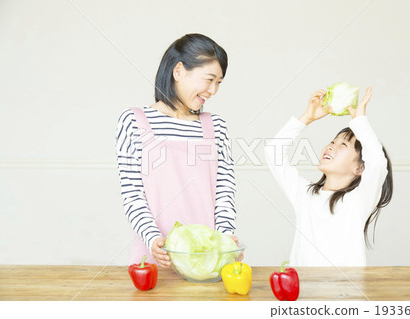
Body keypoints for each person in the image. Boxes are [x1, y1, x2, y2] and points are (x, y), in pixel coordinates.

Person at [116, 34, 238, 268]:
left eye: (219, 82)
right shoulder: (133, 121)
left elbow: (225, 191)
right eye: (209, 79)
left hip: (208, 259)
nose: (213, 90)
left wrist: (225, 239)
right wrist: (153, 239)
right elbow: (132, 194)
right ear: (179, 71)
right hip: (156, 257)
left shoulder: (216, 126)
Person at [265, 87, 393, 266]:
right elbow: (273, 153)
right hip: (305, 292)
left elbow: (378, 164)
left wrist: (359, 121)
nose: (331, 146)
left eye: (343, 145)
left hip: (345, 293)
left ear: (359, 168)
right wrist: (306, 118)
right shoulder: (305, 194)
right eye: (333, 141)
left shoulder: (358, 201)